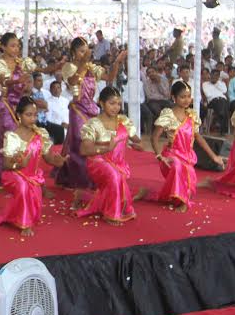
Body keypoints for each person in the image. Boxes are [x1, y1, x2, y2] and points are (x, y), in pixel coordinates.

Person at [0, 97, 65, 236]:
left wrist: (58, 162)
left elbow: (47, 157)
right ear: (19, 116)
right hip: (14, 174)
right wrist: (19, 164)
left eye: (35, 115)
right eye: (28, 115)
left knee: (33, 206)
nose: (33, 118)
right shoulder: (12, 137)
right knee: (23, 189)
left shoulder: (40, 134)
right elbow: (5, 164)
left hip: (33, 177)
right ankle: (24, 223)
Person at [136, 82, 224, 212]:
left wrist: (214, 156)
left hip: (187, 156)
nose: (187, 100)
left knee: (185, 178)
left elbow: (198, 138)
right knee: (178, 166)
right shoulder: (168, 115)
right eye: (183, 97)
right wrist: (160, 157)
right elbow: (154, 137)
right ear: (174, 97)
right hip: (170, 157)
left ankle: (148, 193)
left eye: (189, 96)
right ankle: (184, 201)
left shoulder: (191, 116)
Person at [56, 37, 125, 203]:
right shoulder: (69, 67)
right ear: (74, 52)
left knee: (95, 142)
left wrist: (116, 62)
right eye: (81, 51)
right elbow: (72, 81)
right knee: (81, 144)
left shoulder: (91, 67)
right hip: (78, 108)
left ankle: (93, 176)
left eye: (87, 50)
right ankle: (82, 181)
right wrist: (83, 64)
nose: (85, 53)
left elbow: (109, 77)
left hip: (92, 109)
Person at [77, 88, 145, 224]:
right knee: (114, 176)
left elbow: (137, 140)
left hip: (118, 163)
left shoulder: (123, 121)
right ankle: (111, 214)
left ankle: (82, 196)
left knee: (116, 186)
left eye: (119, 104)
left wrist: (137, 145)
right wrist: (105, 148)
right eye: (112, 103)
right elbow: (84, 150)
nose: (116, 108)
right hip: (98, 161)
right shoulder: (93, 124)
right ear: (101, 103)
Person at [0, 33, 37, 191]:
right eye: (12, 45)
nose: (16, 48)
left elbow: (24, 84)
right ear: (3, 46)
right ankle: (3, 175)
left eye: (18, 45)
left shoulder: (20, 63)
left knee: (3, 142)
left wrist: (25, 85)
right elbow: (4, 82)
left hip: (18, 104)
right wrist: (19, 81)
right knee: (10, 138)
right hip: (5, 104)